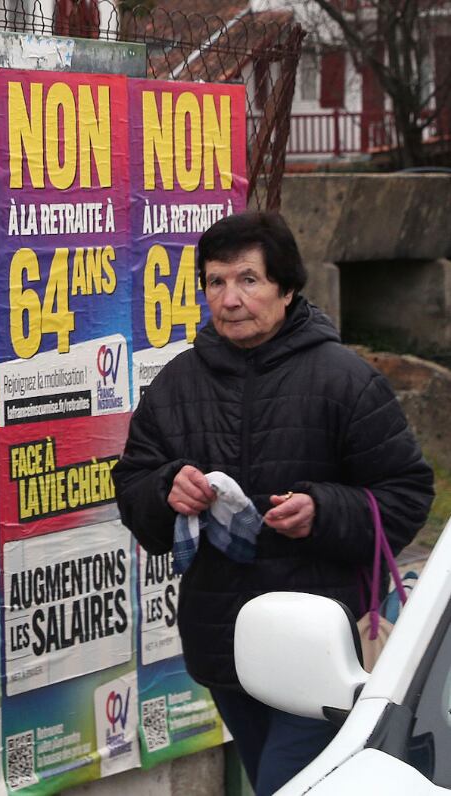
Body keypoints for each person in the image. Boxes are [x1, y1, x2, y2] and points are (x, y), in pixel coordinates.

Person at [112, 211, 433, 795]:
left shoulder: (345, 379)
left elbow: (407, 495)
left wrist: (322, 512)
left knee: (288, 783)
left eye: (248, 280)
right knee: (272, 780)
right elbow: (134, 490)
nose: (230, 299)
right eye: (215, 282)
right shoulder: (176, 384)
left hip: (323, 651)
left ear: (286, 290)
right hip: (226, 644)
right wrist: (165, 490)